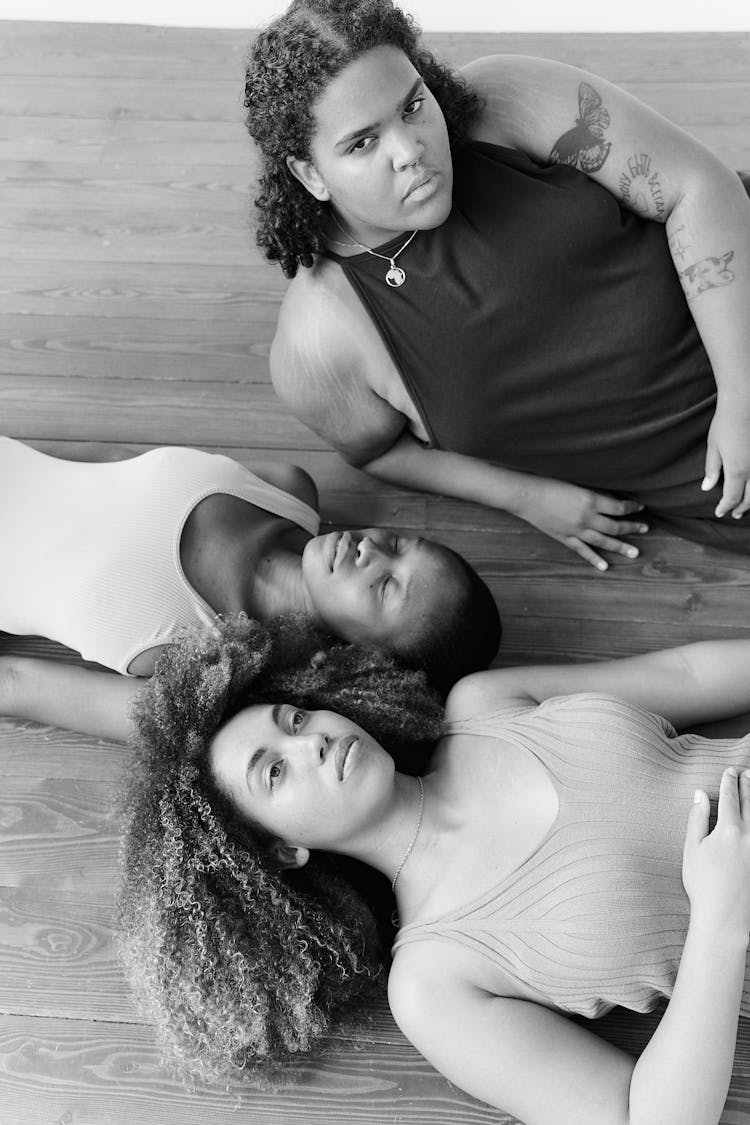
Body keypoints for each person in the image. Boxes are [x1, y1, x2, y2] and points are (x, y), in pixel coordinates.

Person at [98, 613, 750, 1124]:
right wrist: (721, 923)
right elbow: (649, 1117)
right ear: (280, 850)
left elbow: (688, 674)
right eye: (275, 770)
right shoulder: (433, 982)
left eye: (294, 718)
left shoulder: (487, 702)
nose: (311, 740)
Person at [244, 0, 750, 571]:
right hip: (719, 481)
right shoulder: (319, 340)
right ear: (309, 173)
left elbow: (699, 188)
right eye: (362, 143)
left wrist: (741, 396)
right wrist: (528, 498)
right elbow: (379, 451)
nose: (410, 151)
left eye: (413, 106)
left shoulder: (500, 102)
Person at [0, 436, 500, 691]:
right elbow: (107, 468)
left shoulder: (190, 649)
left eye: (387, 587)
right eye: (396, 543)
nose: (370, 552)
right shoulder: (288, 490)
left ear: (367, 655)